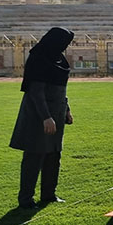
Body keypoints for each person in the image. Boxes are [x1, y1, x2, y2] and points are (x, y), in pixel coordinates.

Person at [10, 27, 75, 209]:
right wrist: (46, 117)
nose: (65, 46)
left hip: (57, 111)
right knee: (34, 156)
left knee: (54, 155)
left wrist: (66, 110)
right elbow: (36, 92)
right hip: (38, 115)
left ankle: (48, 194)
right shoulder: (39, 59)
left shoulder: (58, 59)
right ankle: (26, 199)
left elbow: (61, 90)